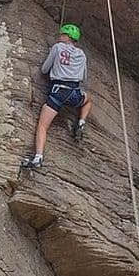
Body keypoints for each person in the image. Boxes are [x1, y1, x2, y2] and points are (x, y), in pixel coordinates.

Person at [21, 23, 92, 169]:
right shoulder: (82, 54)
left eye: (61, 34)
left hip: (58, 92)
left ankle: (38, 157)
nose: (59, 37)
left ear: (67, 36)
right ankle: (81, 122)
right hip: (74, 93)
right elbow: (83, 77)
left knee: (42, 125)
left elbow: (45, 69)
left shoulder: (57, 48)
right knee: (88, 100)